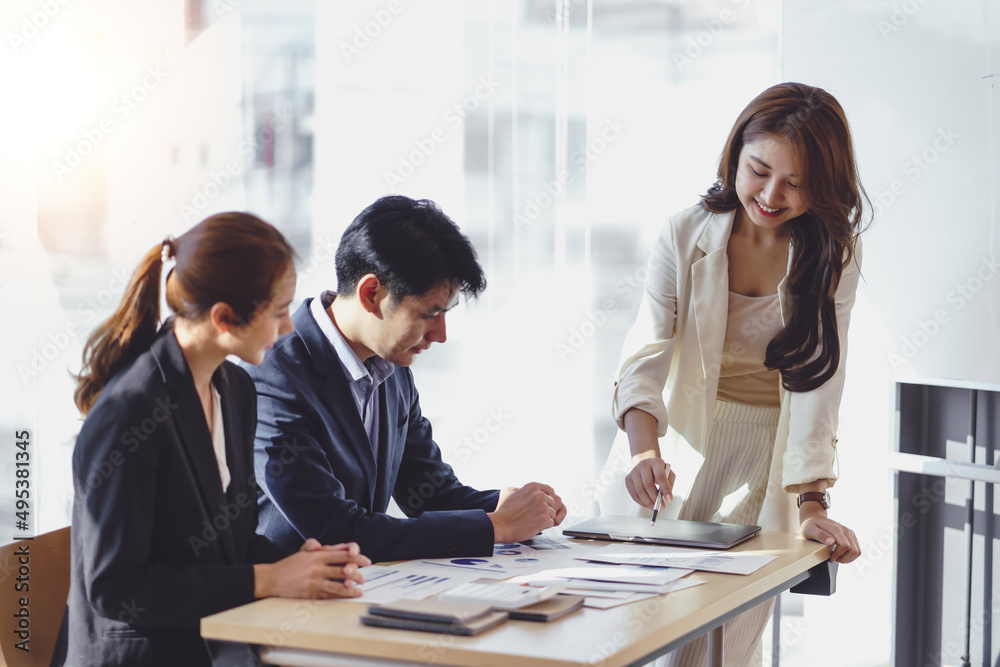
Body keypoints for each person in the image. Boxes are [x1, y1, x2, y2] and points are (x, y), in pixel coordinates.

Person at [597, 82, 865, 666]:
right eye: (759, 170)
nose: (771, 194)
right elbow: (646, 350)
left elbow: (822, 381)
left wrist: (812, 504)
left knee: (715, 652)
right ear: (735, 155)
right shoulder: (685, 231)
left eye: (795, 182)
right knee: (625, 638)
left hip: (768, 459)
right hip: (677, 445)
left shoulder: (833, 252)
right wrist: (644, 453)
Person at [56, 213, 371, 667]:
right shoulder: (130, 413)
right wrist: (268, 579)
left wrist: (304, 564)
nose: (288, 328)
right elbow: (117, 589)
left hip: (214, 646)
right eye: (279, 311)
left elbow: (226, 543)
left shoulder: (235, 390)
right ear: (225, 317)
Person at [244, 195, 566, 563]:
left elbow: (430, 494)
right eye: (430, 313)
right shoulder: (274, 373)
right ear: (371, 293)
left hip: (358, 589)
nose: (441, 334)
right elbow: (335, 528)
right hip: (280, 604)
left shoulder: (391, 367)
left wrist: (513, 505)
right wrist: (496, 525)